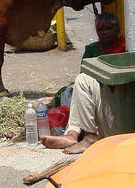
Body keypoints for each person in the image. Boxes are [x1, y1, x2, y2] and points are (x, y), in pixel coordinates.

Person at [41, 12, 126, 154]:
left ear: (117, 30)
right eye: (101, 29)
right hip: (97, 97)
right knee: (80, 83)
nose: (104, 32)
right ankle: (72, 134)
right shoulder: (92, 49)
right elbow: (85, 73)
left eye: (108, 28)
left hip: (115, 100)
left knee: (82, 82)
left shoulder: (125, 47)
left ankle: (86, 136)